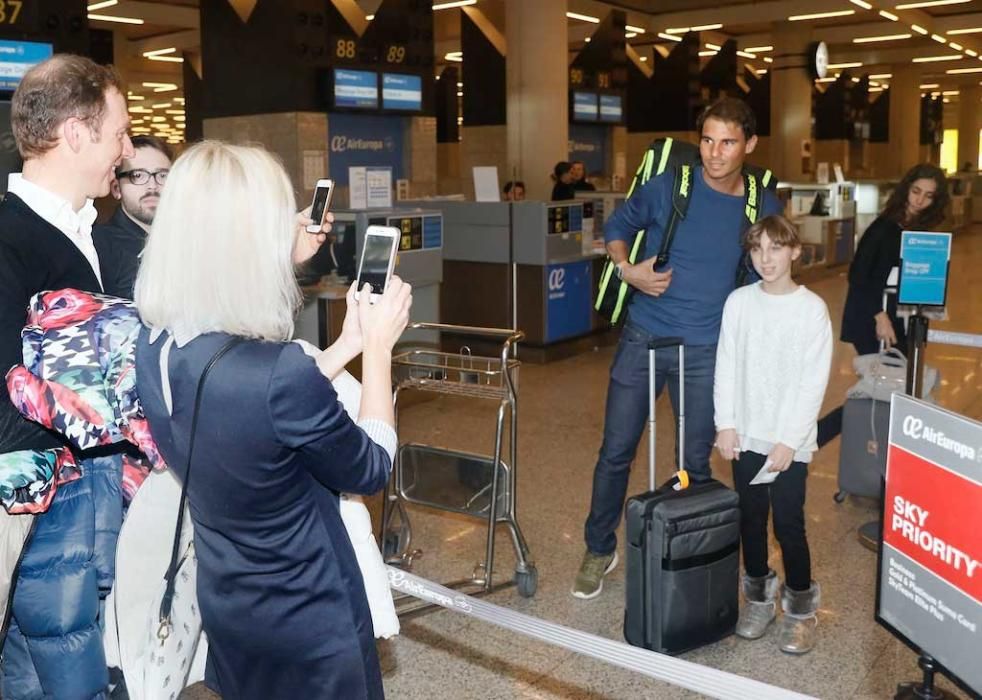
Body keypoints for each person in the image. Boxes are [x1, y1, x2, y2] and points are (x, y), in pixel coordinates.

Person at [134, 140, 410, 699]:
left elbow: (253, 416)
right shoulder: (275, 371)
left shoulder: (156, 343)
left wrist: (343, 345)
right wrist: (378, 349)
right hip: (312, 619)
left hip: (233, 603)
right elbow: (371, 466)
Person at [572, 96, 783, 600]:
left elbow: (773, 267)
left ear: (749, 146)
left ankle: (688, 551)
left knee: (694, 462)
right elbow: (617, 228)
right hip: (644, 336)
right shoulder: (672, 184)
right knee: (615, 451)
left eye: (728, 142)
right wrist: (629, 271)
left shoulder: (761, 201)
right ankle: (600, 546)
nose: (714, 153)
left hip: (708, 350)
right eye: (707, 140)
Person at [0, 54, 135, 698]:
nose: (127, 148)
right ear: (76, 133)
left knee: (38, 664)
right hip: (41, 505)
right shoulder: (8, 241)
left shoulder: (100, 240)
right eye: (119, 131)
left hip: (92, 500)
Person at [714, 215, 832, 655]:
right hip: (746, 433)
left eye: (776, 248)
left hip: (789, 440)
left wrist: (789, 441)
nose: (767, 258)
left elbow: (812, 383)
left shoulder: (811, 309)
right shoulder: (739, 302)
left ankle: (800, 607)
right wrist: (725, 422)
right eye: (758, 249)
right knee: (750, 518)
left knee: (788, 524)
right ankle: (759, 598)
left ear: (795, 252)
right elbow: (726, 363)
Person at [816, 164, 949, 446]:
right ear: (906, 189)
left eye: (928, 196)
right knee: (885, 386)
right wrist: (880, 316)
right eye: (916, 191)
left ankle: (878, 447)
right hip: (873, 317)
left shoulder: (918, 228)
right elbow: (859, 274)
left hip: (895, 316)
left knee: (888, 387)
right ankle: (818, 436)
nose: (919, 200)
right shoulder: (886, 226)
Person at [94, 135, 173, 298]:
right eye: (137, 175)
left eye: (163, 175)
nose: (152, 186)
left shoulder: (190, 239)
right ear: (116, 189)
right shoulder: (99, 245)